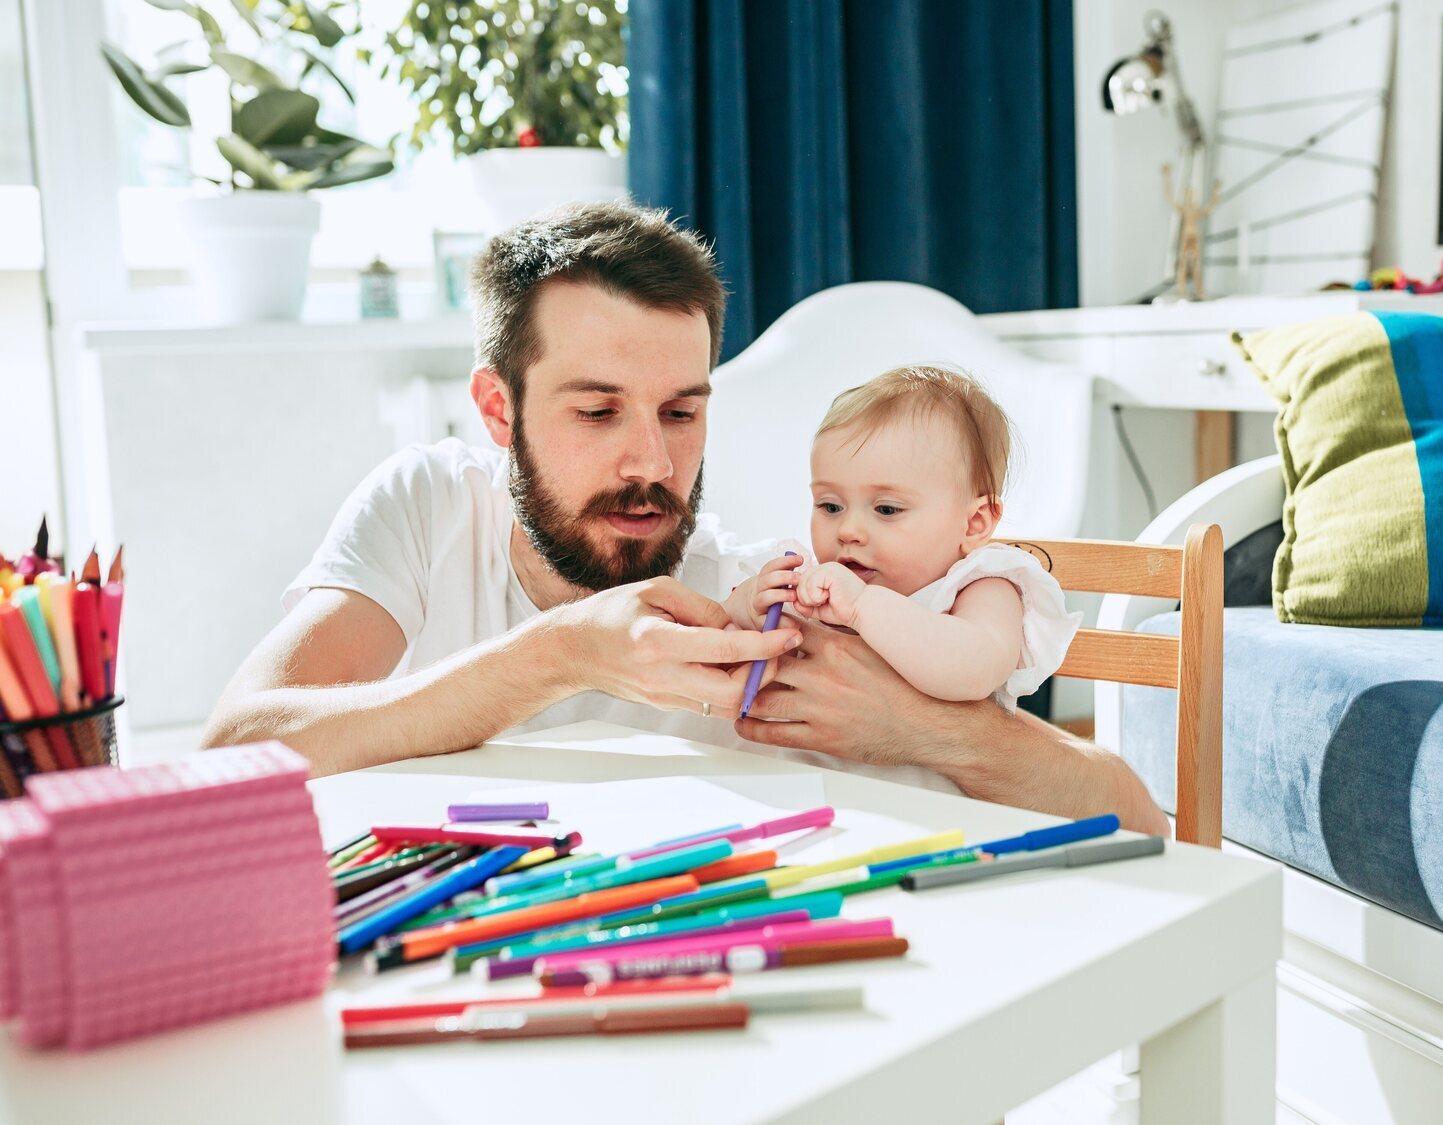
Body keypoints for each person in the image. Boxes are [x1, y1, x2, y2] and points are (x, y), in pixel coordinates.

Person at [202, 201, 1167, 836]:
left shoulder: (756, 603)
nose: (652, 466)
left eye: (681, 410)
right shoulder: (427, 508)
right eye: (595, 411)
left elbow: (1136, 815)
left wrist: (927, 730)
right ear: (498, 410)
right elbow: (235, 752)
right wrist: (561, 653)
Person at [727, 364, 1080, 710]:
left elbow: (971, 671)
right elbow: (720, 642)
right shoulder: (820, 584)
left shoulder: (982, 587)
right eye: (830, 506)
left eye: (886, 510)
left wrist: (863, 606)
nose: (848, 531)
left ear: (973, 523)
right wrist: (747, 608)